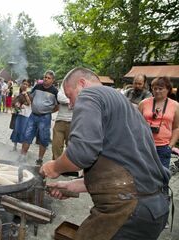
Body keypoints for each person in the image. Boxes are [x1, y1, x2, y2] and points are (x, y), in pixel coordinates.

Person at [41, 67, 170, 240]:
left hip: (129, 210)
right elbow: (125, 171)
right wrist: (72, 185)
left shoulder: (90, 95)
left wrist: (55, 167)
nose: (71, 104)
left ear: (82, 83)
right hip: (155, 208)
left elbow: (81, 153)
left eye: (70, 96)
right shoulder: (129, 109)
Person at [17, 70, 58, 164]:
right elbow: (30, 99)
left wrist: (47, 112)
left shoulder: (55, 91)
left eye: (48, 78)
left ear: (52, 80)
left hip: (45, 117)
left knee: (44, 138)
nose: (46, 79)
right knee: (27, 135)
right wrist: (25, 95)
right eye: (45, 77)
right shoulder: (37, 86)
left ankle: (40, 159)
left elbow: (57, 106)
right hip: (33, 115)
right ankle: (22, 156)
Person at [138, 76, 179, 169]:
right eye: (154, 88)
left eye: (160, 89)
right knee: (143, 173)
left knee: (161, 177)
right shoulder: (143, 103)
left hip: (164, 147)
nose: (157, 91)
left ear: (168, 89)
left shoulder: (175, 106)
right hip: (145, 145)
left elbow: (176, 128)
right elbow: (136, 124)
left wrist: (170, 146)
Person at [52, 82, 73, 160]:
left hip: (73, 122)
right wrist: (72, 101)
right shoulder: (65, 84)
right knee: (56, 146)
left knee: (71, 148)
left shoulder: (81, 87)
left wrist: (70, 101)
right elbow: (60, 97)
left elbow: (82, 100)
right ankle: (55, 168)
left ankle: (68, 169)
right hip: (60, 120)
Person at [10, 80, 31, 151]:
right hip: (18, 114)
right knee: (16, 129)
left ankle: (23, 148)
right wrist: (15, 105)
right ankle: (14, 146)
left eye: (26, 84)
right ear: (21, 84)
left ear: (28, 86)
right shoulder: (17, 93)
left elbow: (29, 103)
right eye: (23, 84)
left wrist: (25, 94)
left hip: (26, 115)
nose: (24, 85)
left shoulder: (29, 93)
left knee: (23, 131)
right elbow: (12, 103)